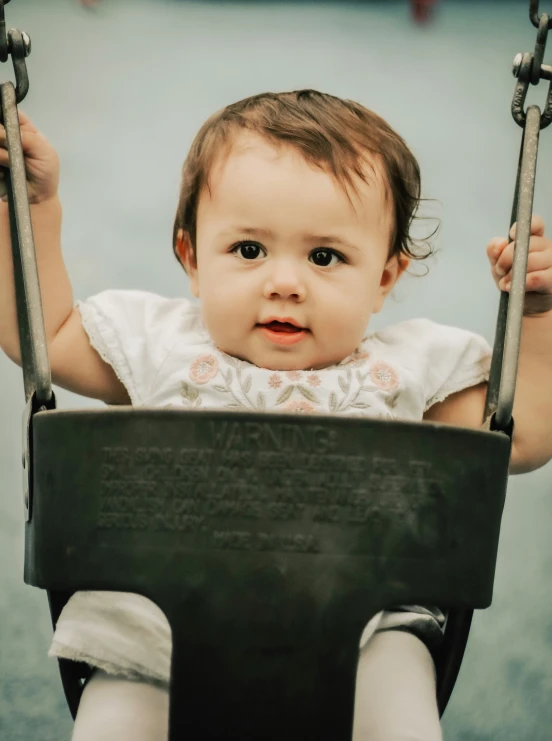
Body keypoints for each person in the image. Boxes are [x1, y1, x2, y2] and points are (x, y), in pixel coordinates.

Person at [1, 90, 552, 741]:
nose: (284, 281)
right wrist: (31, 207)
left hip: (363, 634)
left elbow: (521, 438)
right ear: (191, 258)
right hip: (156, 635)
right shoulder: (160, 344)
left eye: (325, 257)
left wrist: (537, 317)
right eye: (249, 250)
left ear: (384, 278)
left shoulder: (408, 369)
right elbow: (43, 334)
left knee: (404, 709)